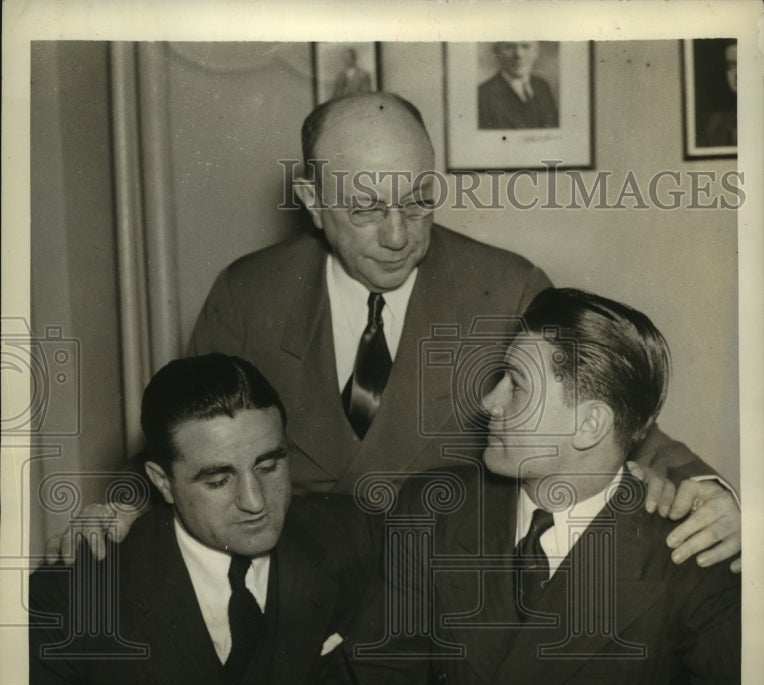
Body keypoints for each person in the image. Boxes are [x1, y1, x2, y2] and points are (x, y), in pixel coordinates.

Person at [47, 92, 741, 572]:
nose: (399, 236)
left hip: (450, 602)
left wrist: (708, 489)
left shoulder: (507, 286)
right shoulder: (248, 291)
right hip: (292, 596)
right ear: (314, 203)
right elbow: (190, 438)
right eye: (367, 208)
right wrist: (119, 505)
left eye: (418, 201)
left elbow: (613, 420)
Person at [311, 288, 740, 685]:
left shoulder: (685, 541)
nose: (488, 400)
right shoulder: (433, 510)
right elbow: (366, 675)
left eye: (516, 385)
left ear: (589, 425)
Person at [29, 355, 374, 685]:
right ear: (161, 482)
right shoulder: (92, 583)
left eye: (269, 466)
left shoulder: (342, 539)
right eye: (218, 479)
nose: (255, 502)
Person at [478, 42, 559, 130]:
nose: (518, 54)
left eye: (525, 46)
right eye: (509, 47)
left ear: (536, 52)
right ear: (497, 53)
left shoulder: (542, 86)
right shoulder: (482, 95)